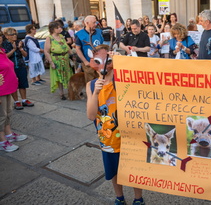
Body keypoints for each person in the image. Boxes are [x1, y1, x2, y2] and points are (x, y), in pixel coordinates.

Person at [86, 44, 145, 205]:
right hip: (108, 139)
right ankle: (119, 197)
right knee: (114, 171)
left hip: (130, 135)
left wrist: (121, 62)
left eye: (108, 60)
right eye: (98, 61)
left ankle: (138, 198)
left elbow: (140, 72)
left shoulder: (125, 79)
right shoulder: (91, 85)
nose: (104, 66)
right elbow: (91, 115)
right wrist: (96, 93)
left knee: (134, 168)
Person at [0, 33, 28, 152]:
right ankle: (2, 141)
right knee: (1, 116)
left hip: (7, 87)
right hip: (1, 89)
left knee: (8, 113)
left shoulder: (1, 50)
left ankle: (9, 134)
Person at [2, 27, 34, 110]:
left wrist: (20, 48)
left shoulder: (19, 42)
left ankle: (24, 99)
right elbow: (5, 57)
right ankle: (16, 101)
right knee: (13, 84)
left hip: (21, 65)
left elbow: (25, 55)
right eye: (12, 34)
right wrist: (14, 49)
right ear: (6, 36)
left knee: (23, 83)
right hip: (10, 68)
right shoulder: (4, 44)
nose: (14, 36)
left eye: (15, 34)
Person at [44, 21, 73, 100]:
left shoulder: (61, 36)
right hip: (56, 60)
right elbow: (46, 51)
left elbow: (67, 46)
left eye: (60, 27)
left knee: (68, 74)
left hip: (65, 59)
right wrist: (51, 62)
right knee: (59, 77)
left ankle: (70, 91)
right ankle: (61, 93)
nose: (60, 28)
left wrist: (72, 54)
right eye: (58, 27)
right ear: (53, 29)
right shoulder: (49, 38)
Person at [75, 15, 104, 83]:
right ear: (87, 23)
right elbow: (78, 49)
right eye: (93, 22)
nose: (96, 24)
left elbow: (103, 45)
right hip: (88, 63)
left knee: (101, 81)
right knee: (90, 82)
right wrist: (85, 61)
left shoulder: (99, 32)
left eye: (96, 22)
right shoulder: (80, 34)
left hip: (100, 62)